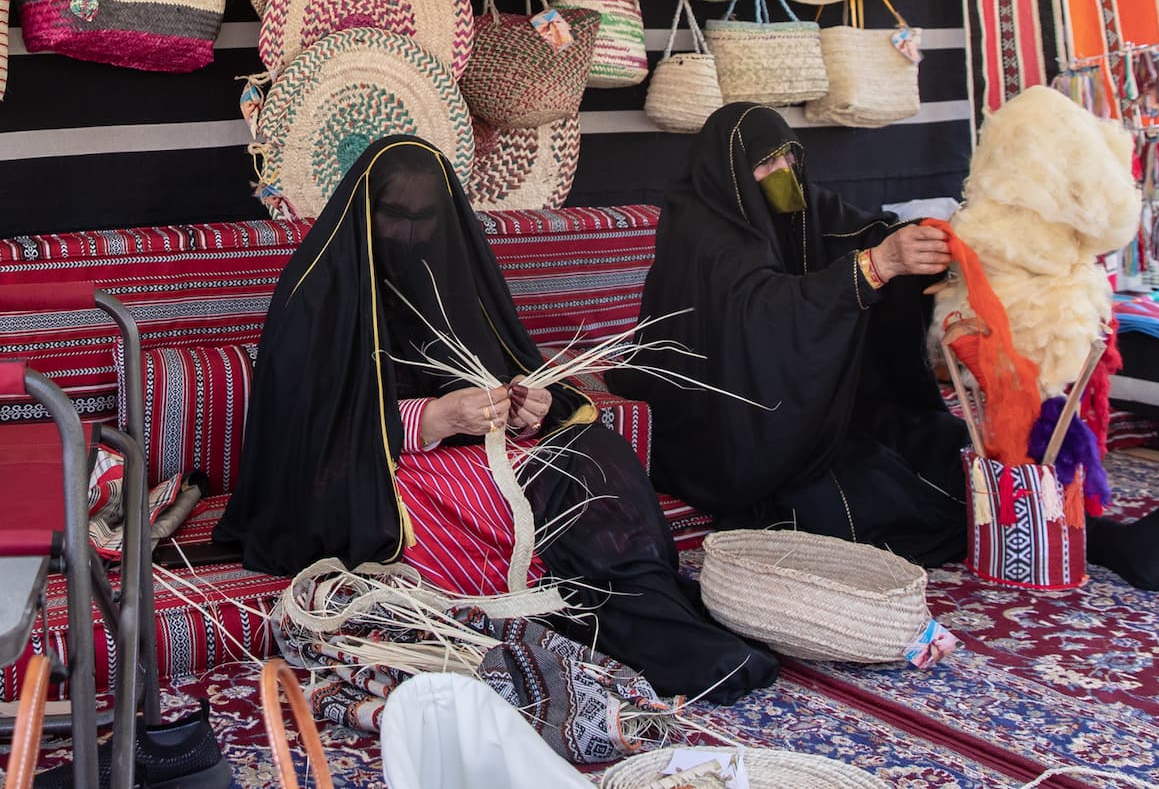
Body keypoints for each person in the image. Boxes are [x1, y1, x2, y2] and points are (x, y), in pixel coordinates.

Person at [216, 136, 776, 703]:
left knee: (591, 451)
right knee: (493, 494)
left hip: (482, 454)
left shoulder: (454, 275)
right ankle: (615, 627)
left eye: (426, 217)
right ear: (365, 210)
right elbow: (301, 429)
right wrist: (429, 419)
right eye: (394, 216)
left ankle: (640, 600)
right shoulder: (318, 291)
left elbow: (518, 374)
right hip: (370, 477)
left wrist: (527, 410)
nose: (410, 234)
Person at [611, 103, 1159, 590]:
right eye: (768, 163)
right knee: (853, 492)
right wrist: (871, 269)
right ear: (732, 172)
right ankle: (1102, 547)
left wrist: (924, 248)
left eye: (792, 154)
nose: (786, 171)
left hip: (807, 406)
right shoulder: (702, 236)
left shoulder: (801, 208)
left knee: (935, 443)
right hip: (731, 429)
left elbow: (869, 234)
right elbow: (757, 314)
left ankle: (1107, 544)